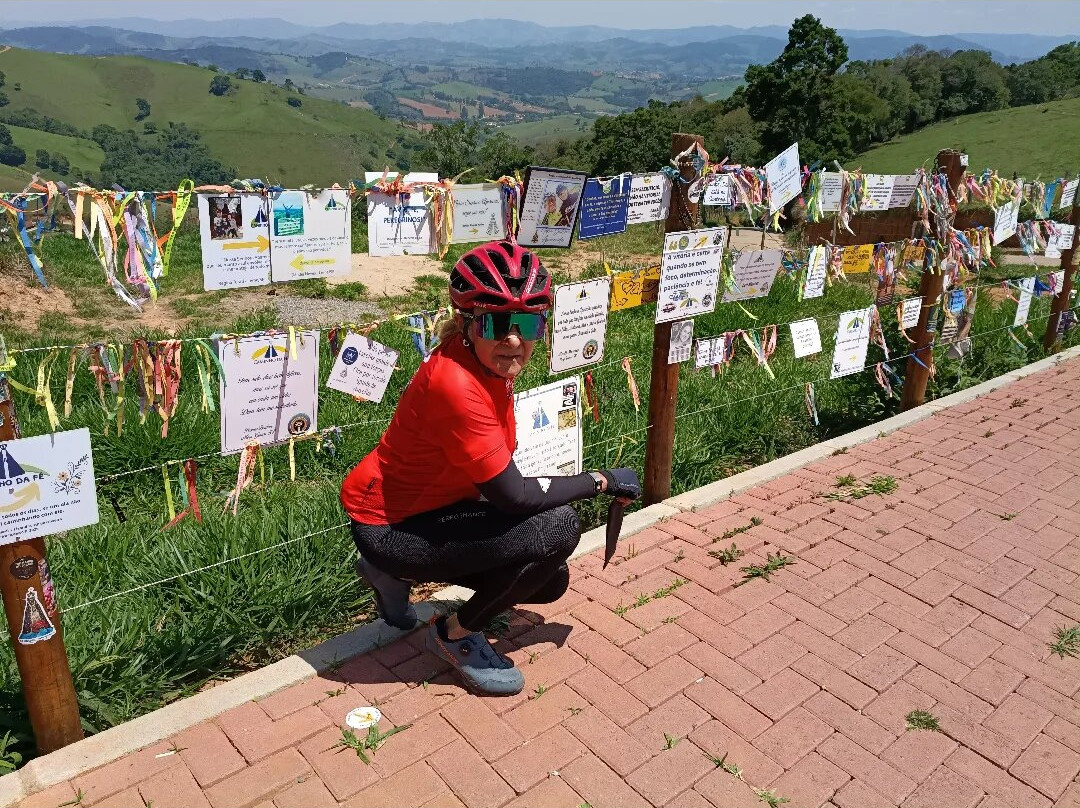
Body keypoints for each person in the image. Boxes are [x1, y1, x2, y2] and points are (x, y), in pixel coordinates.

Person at [341, 241, 640, 696]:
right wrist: (600, 481)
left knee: (548, 581)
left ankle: (394, 575)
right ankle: (453, 635)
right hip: (390, 523)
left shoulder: (484, 368)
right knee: (557, 530)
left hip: (431, 511)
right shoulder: (456, 384)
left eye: (527, 323)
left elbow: (495, 477)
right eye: (497, 323)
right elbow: (513, 495)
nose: (514, 340)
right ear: (467, 325)